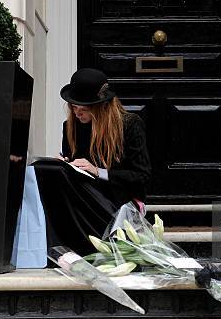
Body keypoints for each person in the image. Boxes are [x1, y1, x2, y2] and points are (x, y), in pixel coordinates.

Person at [31, 68, 151, 256]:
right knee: (47, 170)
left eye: (83, 109)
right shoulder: (71, 126)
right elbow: (74, 161)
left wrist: (99, 171)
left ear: (102, 106)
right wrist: (67, 164)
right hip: (85, 195)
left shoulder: (129, 124)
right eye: (73, 107)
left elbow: (141, 176)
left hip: (120, 200)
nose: (77, 114)